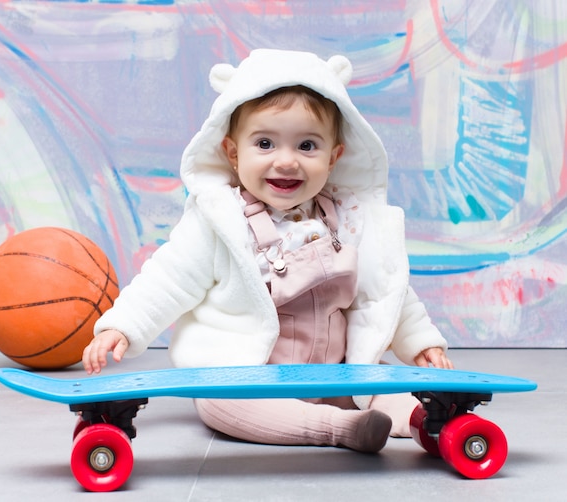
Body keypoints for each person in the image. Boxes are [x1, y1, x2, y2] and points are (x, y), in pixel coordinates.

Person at [83, 49, 453, 453]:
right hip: (249, 377)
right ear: (233, 153)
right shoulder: (220, 221)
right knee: (221, 405)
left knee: (390, 385)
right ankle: (338, 428)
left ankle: (425, 420)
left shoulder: (349, 219)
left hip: (338, 375)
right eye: (265, 143)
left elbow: (388, 288)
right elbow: (168, 279)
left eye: (307, 145)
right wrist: (122, 326)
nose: (287, 161)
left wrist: (420, 341)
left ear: (333, 158)